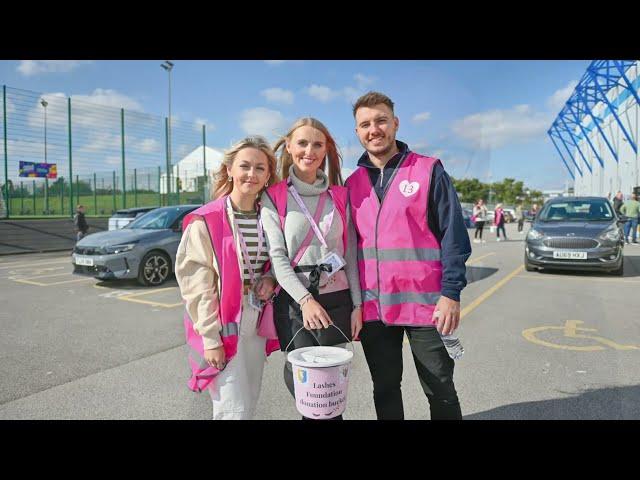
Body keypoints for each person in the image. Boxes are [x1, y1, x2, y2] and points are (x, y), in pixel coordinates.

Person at [346, 91, 471, 420]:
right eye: (365, 124)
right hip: (375, 310)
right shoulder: (352, 184)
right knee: (385, 389)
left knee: (440, 388)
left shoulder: (429, 171)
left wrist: (451, 294)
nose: (374, 129)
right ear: (357, 132)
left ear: (395, 124)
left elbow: (454, 237)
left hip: (428, 307)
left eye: (381, 121)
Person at [260, 117, 362, 421]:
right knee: (306, 384)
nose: (309, 150)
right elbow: (277, 257)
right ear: (289, 147)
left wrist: (357, 305)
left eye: (317, 144)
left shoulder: (340, 196)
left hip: (337, 300)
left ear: (326, 149)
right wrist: (306, 300)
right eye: (302, 143)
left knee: (329, 391)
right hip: (296, 302)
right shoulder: (274, 195)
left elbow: (351, 255)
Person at [175, 136, 281, 420]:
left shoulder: (269, 217)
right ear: (230, 170)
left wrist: (269, 278)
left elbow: (274, 262)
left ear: (269, 175)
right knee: (232, 408)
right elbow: (197, 287)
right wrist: (211, 339)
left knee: (250, 397)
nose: (252, 174)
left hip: (257, 319)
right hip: (224, 324)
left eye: (260, 168)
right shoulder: (206, 220)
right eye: (245, 166)